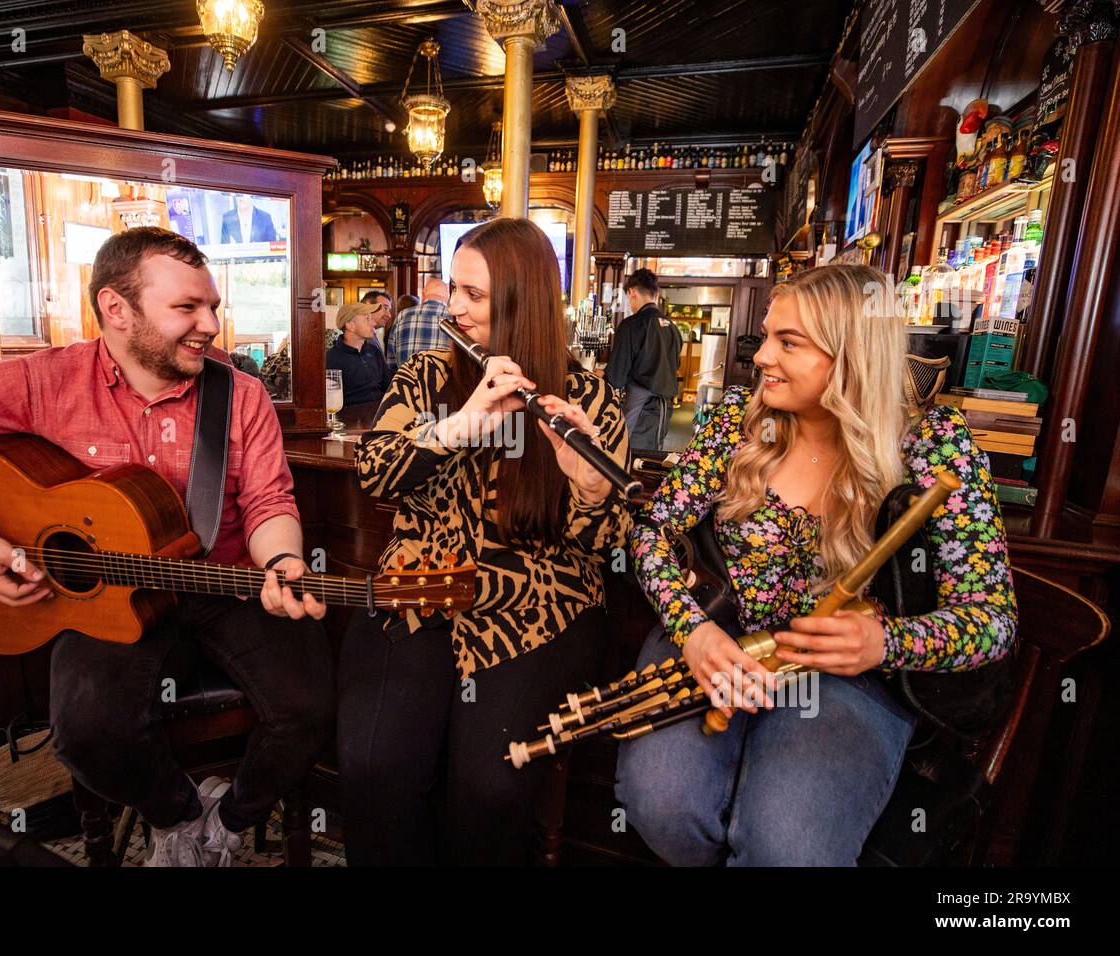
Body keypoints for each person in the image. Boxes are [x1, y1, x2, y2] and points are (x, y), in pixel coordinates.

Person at [0, 227, 334, 867]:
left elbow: (268, 503)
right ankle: (175, 816)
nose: (211, 324)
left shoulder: (240, 394)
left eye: (212, 306)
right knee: (88, 734)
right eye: (187, 308)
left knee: (309, 706)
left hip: (222, 582)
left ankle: (226, 824)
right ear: (115, 309)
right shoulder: (41, 382)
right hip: (104, 597)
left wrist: (284, 563)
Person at [614, 264, 1017, 866]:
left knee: (789, 846)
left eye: (789, 342)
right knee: (665, 808)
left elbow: (995, 619)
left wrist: (885, 641)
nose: (762, 358)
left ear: (851, 353)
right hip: (715, 642)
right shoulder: (738, 422)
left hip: (844, 678)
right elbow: (653, 532)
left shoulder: (935, 445)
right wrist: (691, 630)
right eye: (769, 336)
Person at [339, 217, 632, 865]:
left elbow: (616, 548)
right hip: (420, 589)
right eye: (455, 289)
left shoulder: (591, 399)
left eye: (475, 295)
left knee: (487, 788)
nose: (454, 306)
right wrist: (462, 425)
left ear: (523, 303)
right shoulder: (423, 376)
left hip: (538, 608)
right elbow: (376, 472)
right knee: (372, 768)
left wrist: (587, 489)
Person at [605, 268, 682, 449]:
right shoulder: (673, 328)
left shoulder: (631, 325)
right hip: (664, 409)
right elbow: (672, 366)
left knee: (628, 455)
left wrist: (602, 375)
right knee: (650, 456)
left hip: (639, 406)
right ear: (656, 294)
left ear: (631, 292)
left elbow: (616, 378)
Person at [326, 300, 392, 406]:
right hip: (350, 418)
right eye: (367, 319)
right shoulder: (332, 358)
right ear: (350, 326)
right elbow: (331, 401)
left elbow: (389, 386)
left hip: (379, 415)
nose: (374, 323)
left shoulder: (374, 352)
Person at [385, 276, 451, 371]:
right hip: (445, 384)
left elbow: (391, 362)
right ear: (447, 297)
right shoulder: (455, 319)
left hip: (406, 383)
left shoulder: (403, 316)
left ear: (423, 295)